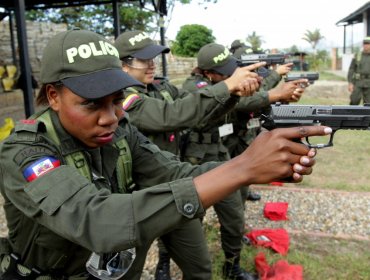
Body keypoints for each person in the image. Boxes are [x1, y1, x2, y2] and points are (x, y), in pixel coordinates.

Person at [0, 29, 330, 280]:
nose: (111, 116)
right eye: (91, 103)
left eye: (116, 100)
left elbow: (175, 173)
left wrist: (263, 165)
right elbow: (98, 220)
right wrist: (242, 168)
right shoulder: (26, 152)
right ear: (54, 97)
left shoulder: (119, 130)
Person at [114, 31, 263, 280]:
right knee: (125, 272)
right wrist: (227, 85)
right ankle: (163, 263)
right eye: (144, 59)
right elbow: (170, 115)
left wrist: (233, 94)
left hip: (171, 189)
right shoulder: (121, 97)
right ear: (123, 65)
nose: (152, 64)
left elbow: (196, 111)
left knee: (199, 268)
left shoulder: (161, 87)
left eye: (154, 58)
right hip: (134, 200)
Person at [182, 43, 307, 279]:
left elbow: (247, 95)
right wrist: (277, 91)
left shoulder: (221, 81)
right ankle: (169, 261)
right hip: (195, 157)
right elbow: (240, 102)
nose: (231, 75)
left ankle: (232, 266)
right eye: (224, 71)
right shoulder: (194, 87)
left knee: (233, 213)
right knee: (188, 216)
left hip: (221, 152)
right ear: (209, 73)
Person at [347, 36, 370, 105]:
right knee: (354, 100)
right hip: (358, 82)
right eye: (365, 44)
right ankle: (351, 115)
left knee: (368, 104)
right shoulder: (358, 56)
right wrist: (350, 83)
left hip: (369, 83)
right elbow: (351, 69)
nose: (366, 45)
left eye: (368, 44)